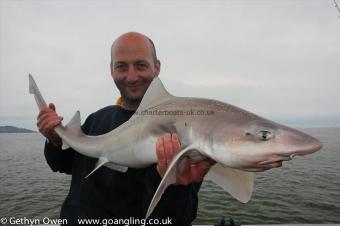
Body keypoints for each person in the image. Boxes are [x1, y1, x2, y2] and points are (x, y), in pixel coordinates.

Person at [37, 32, 215, 225]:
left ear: (157, 67)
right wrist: (55, 140)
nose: (131, 77)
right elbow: (63, 165)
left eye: (140, 65)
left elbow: (175, 220)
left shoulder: (182, 130)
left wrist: (176, 186)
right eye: (121, 66)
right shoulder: (98, 118)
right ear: (111, 70)